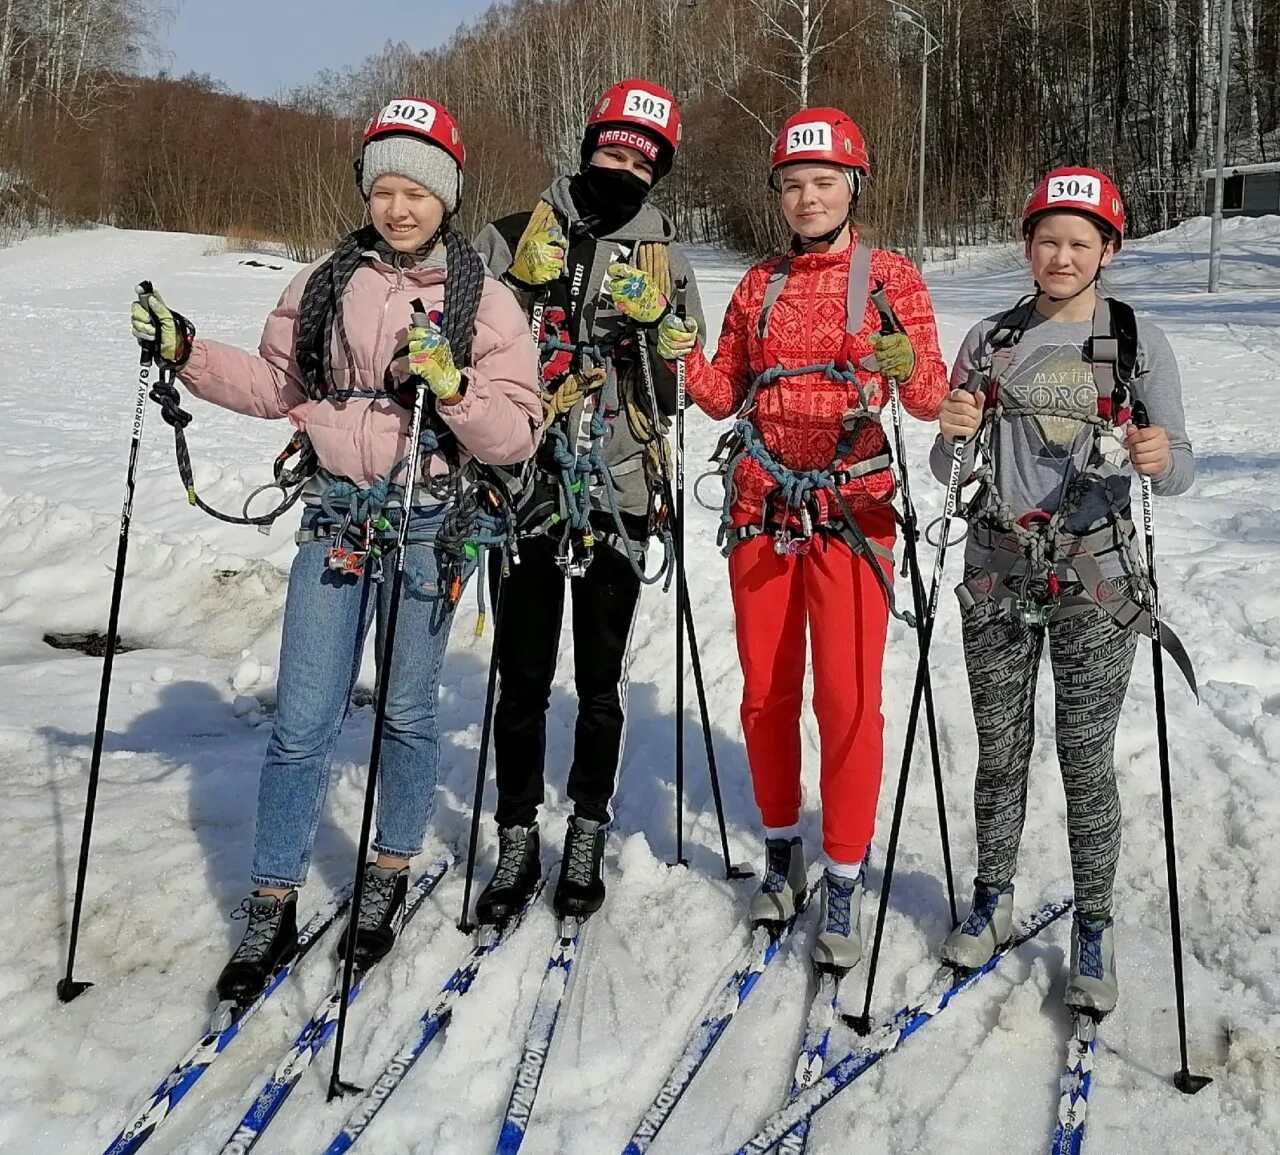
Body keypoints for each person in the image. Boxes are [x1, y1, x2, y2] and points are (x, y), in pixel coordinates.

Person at [129, 97, 541, 1006]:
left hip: (433, 524)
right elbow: (277, 385)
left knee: (404, 712)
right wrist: (190, 351)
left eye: (418, 191)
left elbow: (517, 432)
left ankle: (387, 871)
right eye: (384, 188)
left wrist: (454, 384)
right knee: (302, 721)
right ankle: (273, 898)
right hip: (337, 520)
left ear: (449, 197)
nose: (399, 207)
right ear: (366, 192)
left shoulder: (486, 297)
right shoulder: (323, 284)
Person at [669, 107, 948, 971]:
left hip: (854, 517)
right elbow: (722, 396)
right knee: (765, 693)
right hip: (762, 511)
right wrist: (679, 349)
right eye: (793, 184)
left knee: (849, 701)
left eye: (824, 182)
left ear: (852, 187)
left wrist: (905, 367)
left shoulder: (889, 275)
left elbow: (932, 398)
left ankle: (843, 868)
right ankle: (784, 843)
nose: (807, 197)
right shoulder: (758, 285)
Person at [933, 168, 1194, 1016]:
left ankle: (1093, 923)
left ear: (1110, 250)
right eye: (1048, 238)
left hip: (1097, 580)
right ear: (1026, 243)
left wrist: (1160, 457)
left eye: (1082, 242)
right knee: (999, 752)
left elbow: (1180, 464)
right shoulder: (990, 339)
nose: (1062, 255)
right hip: (997, 570)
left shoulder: (1138, 341)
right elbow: (947, 468)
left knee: (1086, 760)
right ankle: (993, 896)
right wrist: (949, 437)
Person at [470, 79, 705, 925]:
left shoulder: (667, 262)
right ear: (587, 146)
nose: (625, 168)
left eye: (643, 161)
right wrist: (527, 301)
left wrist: (660, 339)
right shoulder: (509, 237)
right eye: (613, 151)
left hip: (620, 486)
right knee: (524, 672)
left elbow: (681, 387)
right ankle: (518, 829)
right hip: (525, 483)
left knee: (600, 678)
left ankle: (588, 826)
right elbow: (465, 353)